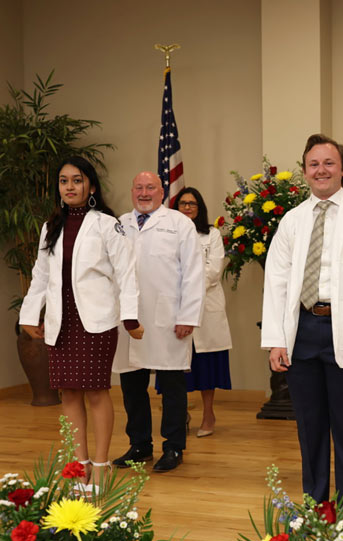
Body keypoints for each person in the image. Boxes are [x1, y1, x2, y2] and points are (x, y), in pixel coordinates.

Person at [262, 134, 343, 511]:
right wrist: (276, 340)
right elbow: (277, 281)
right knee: (310, 428)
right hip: (301, 331)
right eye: (314, 164)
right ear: (304, 171)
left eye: (329, 163)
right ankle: (317, 507)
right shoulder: (293, 220)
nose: (321, 170)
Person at [20, 156, 142, 491]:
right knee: (69, 394)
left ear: (90, 185)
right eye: (63, 181)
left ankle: (101, 467)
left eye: (77, 180)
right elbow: (41, 275)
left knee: (96, 392)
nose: (70, 186)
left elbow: (126, 272)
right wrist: (30, 315)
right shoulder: (51, 226)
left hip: (95, 321)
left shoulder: (106, 223)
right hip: (62, 321)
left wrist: (130, 316)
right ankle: (79, 466)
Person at [112, 171, 204, 473]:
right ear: (131, 191)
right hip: (129, 318)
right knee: (131, 385)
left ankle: (174, 447)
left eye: (150, 187)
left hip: (168, 317)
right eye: (138, 187)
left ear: (161, 191)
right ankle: (139, 445)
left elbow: (193, 272)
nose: (143, 192)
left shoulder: (179, 224)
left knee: (173, 385)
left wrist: (188, 315)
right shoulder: (120, 225)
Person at [172, 187, 232, 437]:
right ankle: (179, 413)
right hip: (174, 306)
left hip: (205, 307)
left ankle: (208, 414)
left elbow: (213, 270)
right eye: (182, 203)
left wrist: (186, 286)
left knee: (206, 365)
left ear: (200, 208)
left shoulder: (212, 235)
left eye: (192, 204)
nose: (187, 207)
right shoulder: (168, 234)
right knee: (176, 365)